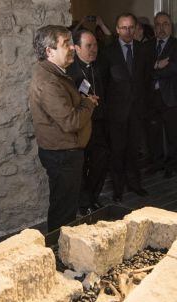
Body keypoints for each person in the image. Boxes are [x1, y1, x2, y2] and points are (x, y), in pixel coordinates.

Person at [29, 25, 98, 231]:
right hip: (63, 155)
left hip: (65, 152)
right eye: (65, 44)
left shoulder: (55, 73)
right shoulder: (49, 81)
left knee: (65, 206)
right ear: (49, 51)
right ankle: (58, 252)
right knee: (63, 212)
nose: (71, 48)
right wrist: (89, 103)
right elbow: (71, 122)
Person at [100, 13, 151, 202]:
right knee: (117, 151)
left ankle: (135, 184)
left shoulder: (143, 50)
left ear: (136, 28)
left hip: (137, 111)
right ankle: (118, 189)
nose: (127, 31)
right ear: (117, 30)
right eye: (123, 27)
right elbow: (104, 84)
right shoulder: (108, 51)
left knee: (133, 150)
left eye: (131, 27)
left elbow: (147, 79)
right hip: (116, 113)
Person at [68, 29, 108, 214]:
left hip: (100, 123)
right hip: (82, 126)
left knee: (100, 162)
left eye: (95, 45)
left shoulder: (100, 65)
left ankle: (94, 197)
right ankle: (83, 203)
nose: (93, 50)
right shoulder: (70, 71)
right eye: (88, 46)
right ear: (76, 48)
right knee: (82, 165)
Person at [144, 12, 177, 178]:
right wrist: (157, 65)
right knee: (153, 133)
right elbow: (142, 69)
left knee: (172, 133)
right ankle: (157, 163)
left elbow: (174, 68)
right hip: (151, 97)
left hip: (170, 96)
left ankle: (171, 165)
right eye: (158, 24)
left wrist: (152, 71)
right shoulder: (147, 46)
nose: (162, 28)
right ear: (155, 27)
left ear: (171, 26)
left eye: (165, 24)